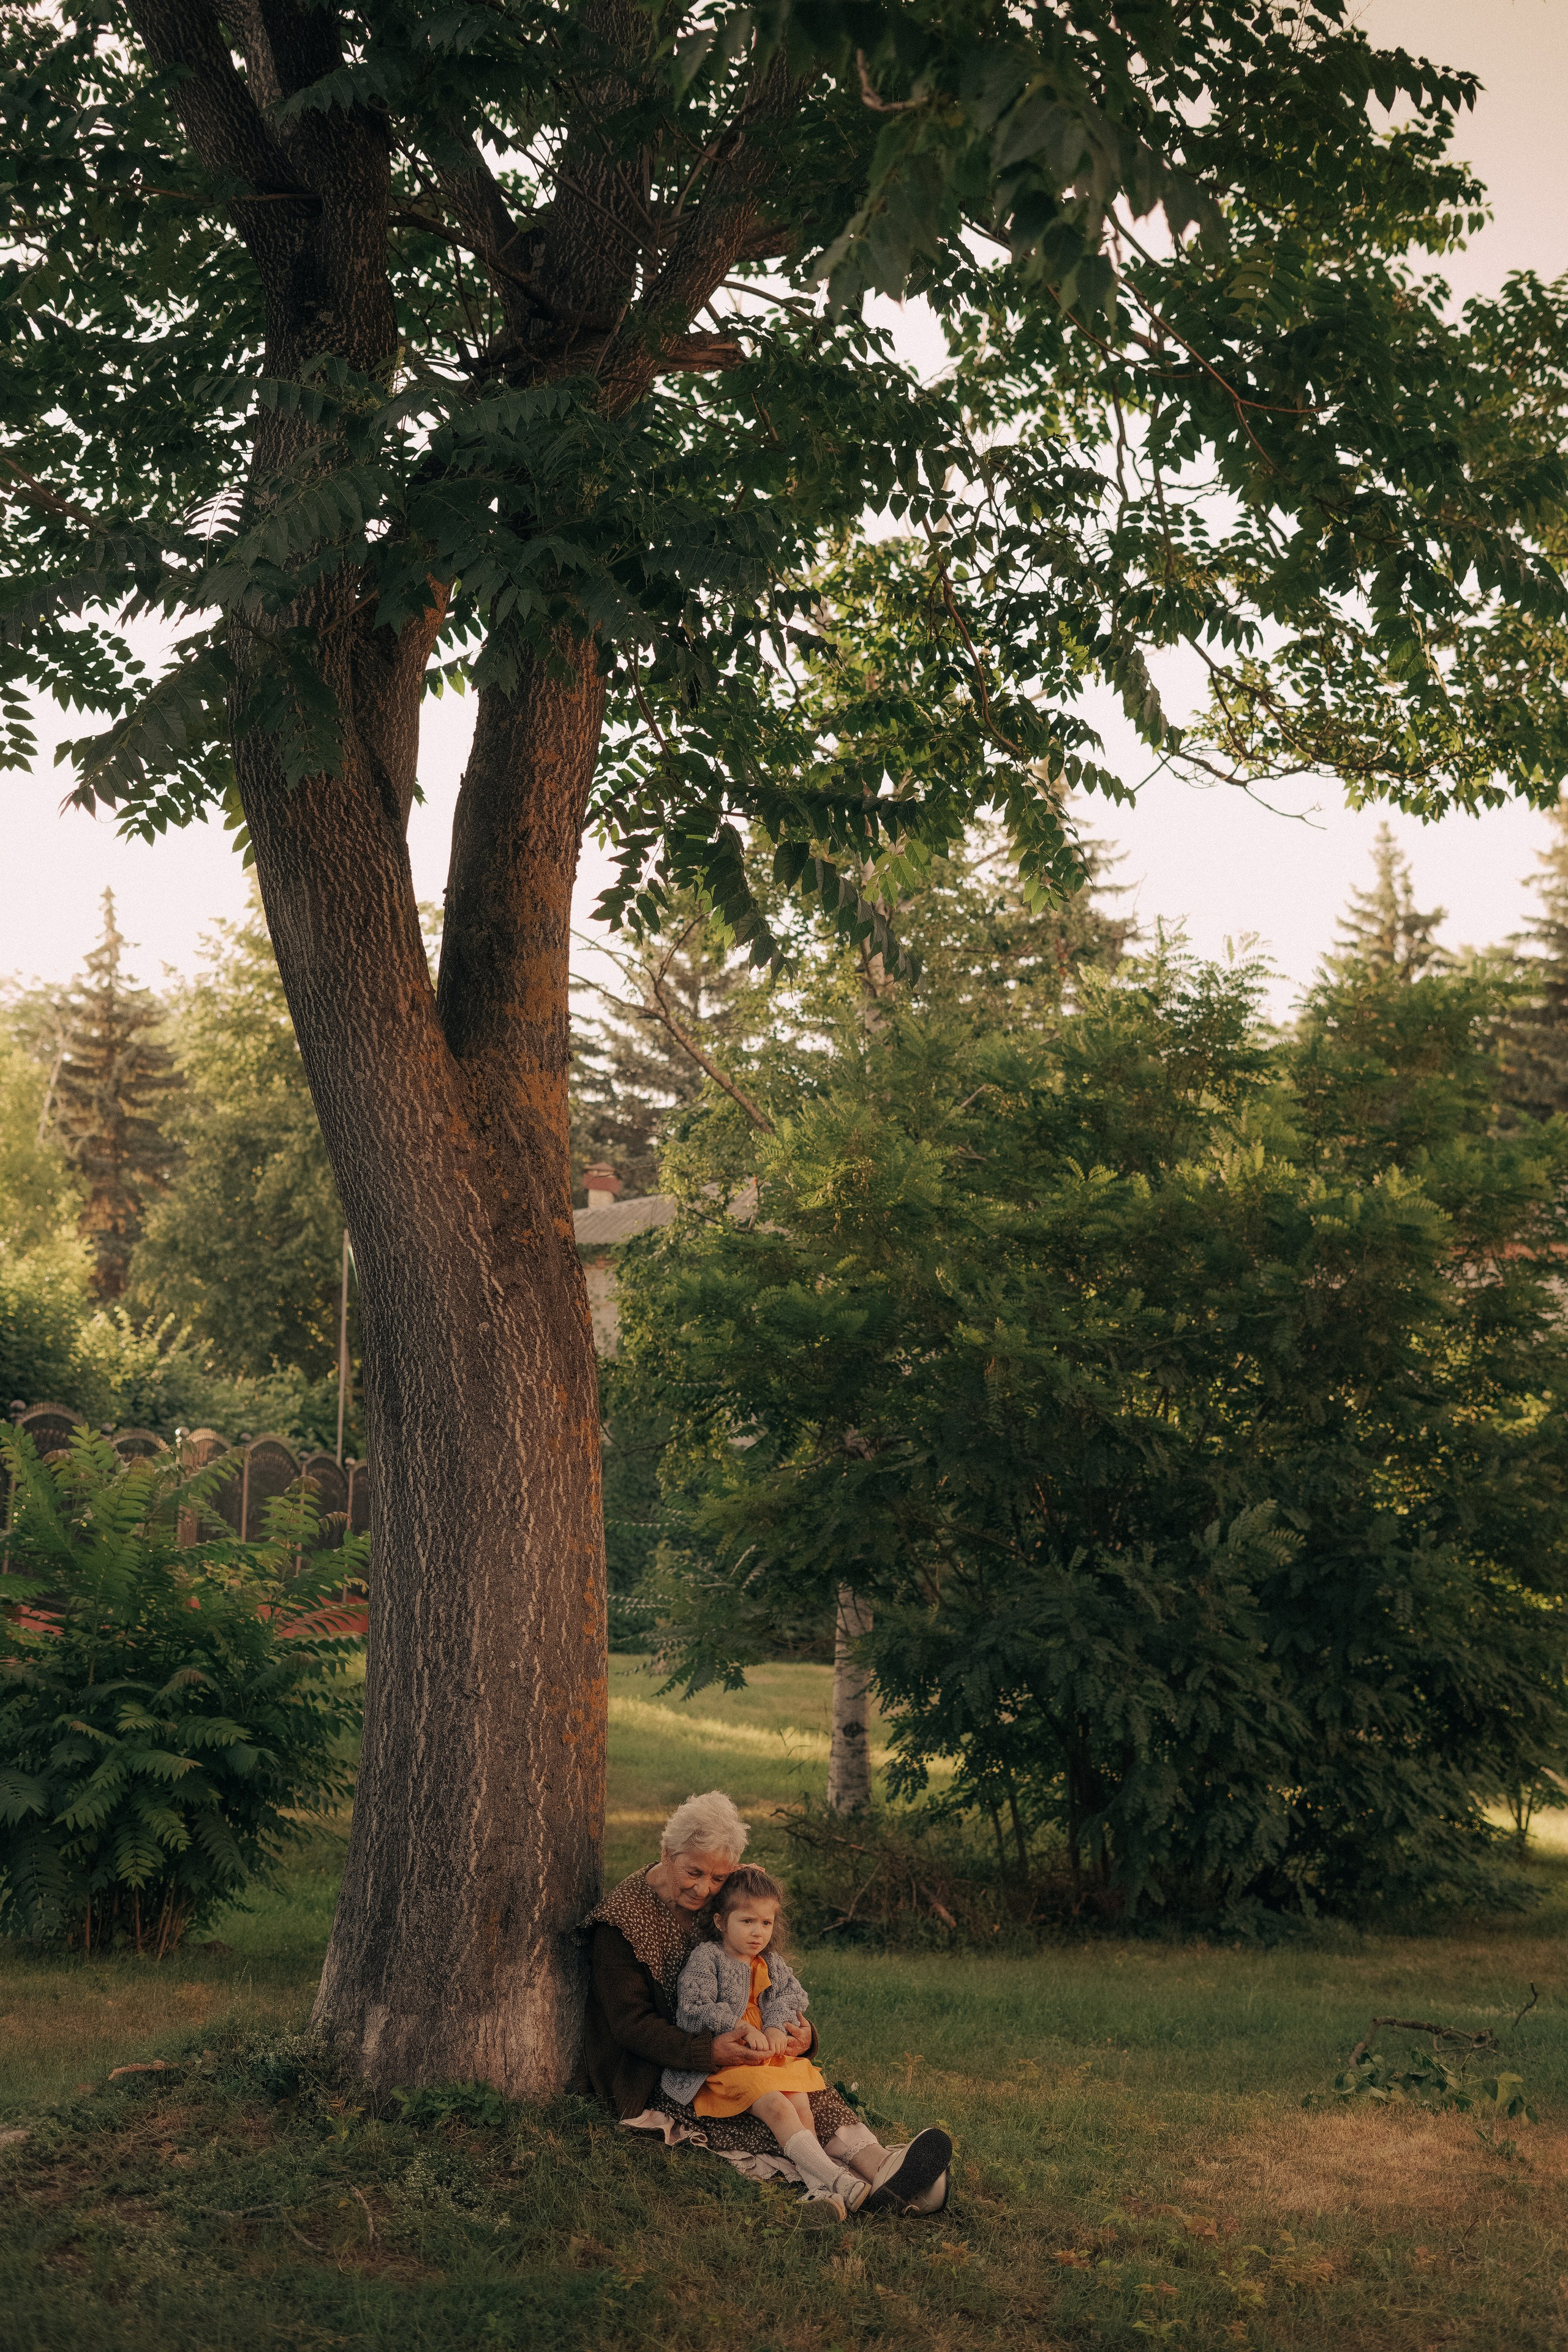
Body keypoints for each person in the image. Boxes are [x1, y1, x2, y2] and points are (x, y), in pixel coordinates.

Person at [576, 1789, 951, 2213]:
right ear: (666, 1852)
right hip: (664, 2069)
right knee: (765, 2111)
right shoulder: (622, 1923)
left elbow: (768, 1980)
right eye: (693, 1872)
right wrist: (710, 2050)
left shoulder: (723, 1898)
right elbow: (631, 2027)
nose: (703, 1889)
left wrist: (797, 2034)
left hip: (745, 2047)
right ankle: (851, 2183)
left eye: (718, 1878)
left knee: (802, 2091)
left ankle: (884, 2169)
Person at [662, 1864, 878, 2214]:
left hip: (769, 2057)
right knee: (777, 2105)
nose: (757, 1932)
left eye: (766, 1923)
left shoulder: (770, 1961)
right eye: (747, 1921)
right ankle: (835, 2178)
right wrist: (741, 2026)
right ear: (720, 1922)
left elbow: (792, 1997)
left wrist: (776, 2026)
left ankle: (818, 2189)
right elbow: (694, 2005)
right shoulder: (708, 1957)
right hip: (729, 2062)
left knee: (799, 2101)